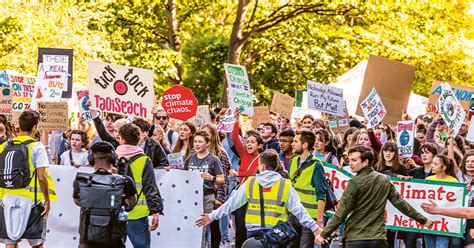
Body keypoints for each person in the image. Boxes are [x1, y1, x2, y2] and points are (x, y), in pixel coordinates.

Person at [195, 150, 323, 248]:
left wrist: (211, 217)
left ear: (261, 166)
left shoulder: (251, 183)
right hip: (276, 233)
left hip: (253, 231)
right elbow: (299, 210)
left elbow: (231, 204)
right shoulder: (285, 185)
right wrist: (315, 229)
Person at [315, 145, 433, 247]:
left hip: (355, 238)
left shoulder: (354, 182)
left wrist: (324, 234)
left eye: (354, 160)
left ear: (365, 162)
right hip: (378, 239)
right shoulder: (384, 179)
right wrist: (423, 220)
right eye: (349, 160)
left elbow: (341, 213)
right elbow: (401, 204)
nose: (350, 163)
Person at [0, 110, 57, 248]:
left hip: (7, 199)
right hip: (32, 201)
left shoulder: (5, 145)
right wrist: (47, 201)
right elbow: (42, 177)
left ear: (19, 125)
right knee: (36, 242)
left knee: (11, 241)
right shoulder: (37, 146)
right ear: (35, 127)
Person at [73, 141, 137, 248]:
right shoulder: (125, 181)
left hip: (88, 237)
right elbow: (132, 203)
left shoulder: (81, 180)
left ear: (91, 159)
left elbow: (78, 202)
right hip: (114, 239)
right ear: (113, 158)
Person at [116, 124, 163, 248]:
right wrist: (156, 212)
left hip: (115, 212)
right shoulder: (144, 160)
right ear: (138, 140)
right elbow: (150, 188)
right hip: (137, 214)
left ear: (121, 139)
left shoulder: (113, 157)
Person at [229, 108, 263, 248]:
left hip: (253, 197)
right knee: (240, 229)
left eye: (252, 142)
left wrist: (239, 174)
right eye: (247, 142)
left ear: (259, 145)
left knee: (252, 230)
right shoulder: (243, 154)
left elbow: (254, 174)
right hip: (240, 195)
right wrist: (237, 119)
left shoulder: (263, 158)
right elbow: (234, 138)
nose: (249, 144)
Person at [183, 131, 224, 247]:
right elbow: (182, 174)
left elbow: (222, 180)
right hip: (191, 196)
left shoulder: (213, 159)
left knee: (202, 227)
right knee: (191, 225)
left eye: (200, 142)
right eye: (195, 141)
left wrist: (212, 178)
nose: (196, 144)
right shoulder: (190, 158)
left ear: (207, 143)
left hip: (207, 196)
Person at [288, 129, 326, 248]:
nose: (292, 144)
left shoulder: (316, 165)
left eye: (295, 141)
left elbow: (321, 195)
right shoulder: (293, 161)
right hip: (293, 214)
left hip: (309, 217)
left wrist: (319, 222)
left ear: (305, 145)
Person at [201, 123, 231, 247]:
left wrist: (220, 198)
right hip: (200, 194)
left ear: (213, 136)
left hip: (214, 194)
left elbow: (223, 177)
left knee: (213, 225)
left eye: (207, 134)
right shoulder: (198, 152)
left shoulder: (220, 154)